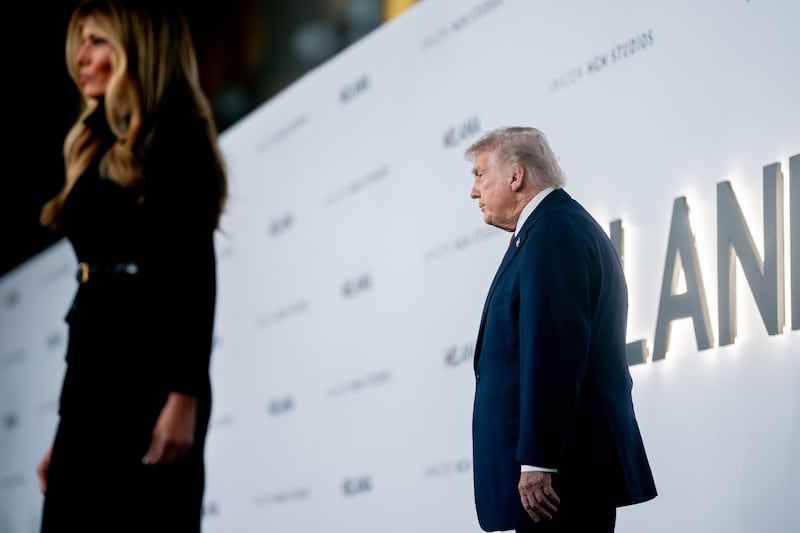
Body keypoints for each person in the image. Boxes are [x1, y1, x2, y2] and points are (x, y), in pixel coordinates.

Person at [35, 0, 227, 531]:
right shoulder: (94, 142)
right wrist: (63, 436)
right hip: (91, 368)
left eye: (98, 41)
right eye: (80, 41)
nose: (81, 56)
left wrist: (184, 395)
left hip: (152, 372)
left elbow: (195, 271)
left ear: (134, 49)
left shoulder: (176, 133)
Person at [466, 127, 656, 532]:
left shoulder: (553, 234)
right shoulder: (549, 230)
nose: (473, 191)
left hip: (560, 481)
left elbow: (554, 353)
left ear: (516, 177)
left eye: (480, 175)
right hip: (561, 475)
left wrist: (538, 460)